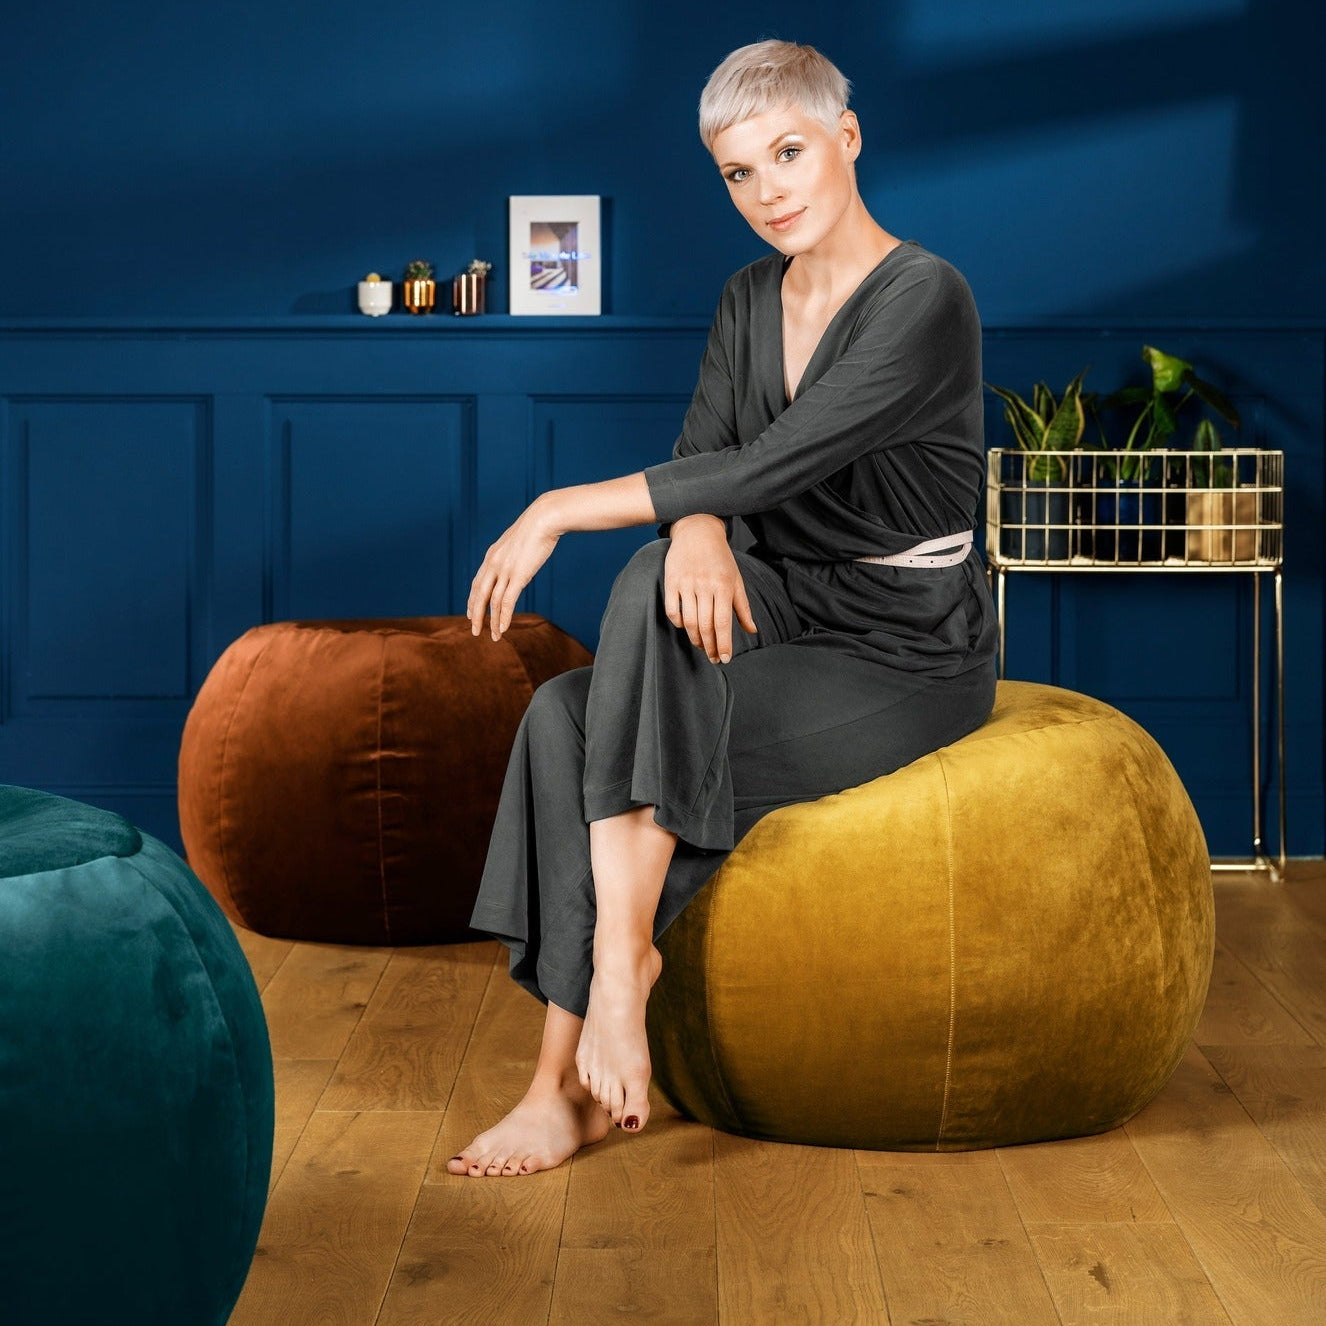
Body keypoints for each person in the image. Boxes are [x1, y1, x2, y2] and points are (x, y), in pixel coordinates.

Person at [446, 38, 999, 1179]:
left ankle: (600, 1006)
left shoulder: (926, 297)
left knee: (599, 719)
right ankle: (583, 1044)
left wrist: (556, 507)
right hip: (781, 591)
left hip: (904, 642)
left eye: (789, 153)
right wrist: (696, 528)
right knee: (566, 701)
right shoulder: (749, 296)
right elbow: (709, 458)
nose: (768, 191)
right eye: (740, 173)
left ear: (848, 137)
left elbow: (770, 463)